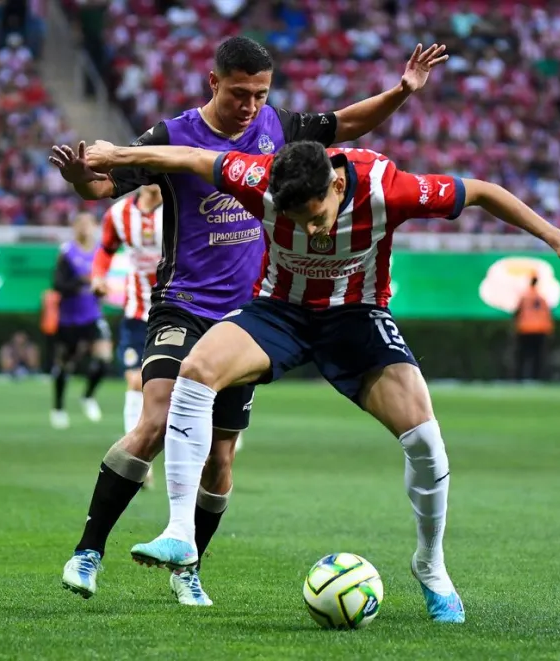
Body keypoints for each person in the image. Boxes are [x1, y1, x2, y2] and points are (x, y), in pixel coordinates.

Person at [85, 139, 560, 622]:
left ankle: (430, 566)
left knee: (426, 440)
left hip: (356, 317)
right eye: (294, 217)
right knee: (196, 371)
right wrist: (120, 155)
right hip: (280, 311)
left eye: (315, 215)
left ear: (337, 185)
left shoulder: (390, 188)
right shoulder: (259, 177)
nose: (310, 230)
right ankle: (181, 531)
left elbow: (479, 191)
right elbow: (192, 158)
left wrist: (554, 236)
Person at [50, 36, 449, 606]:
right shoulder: (172, 136)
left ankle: (188, 566)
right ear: (214, 82)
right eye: (240, 93)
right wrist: (76, 177)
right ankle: (88, 551)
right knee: (157, 418)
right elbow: (102, 185)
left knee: (221, 455)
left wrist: (402, 92)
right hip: (183, 303)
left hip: (251, 316)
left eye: (260, 94)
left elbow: (344, 125)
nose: (251, 106)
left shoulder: (280, 129)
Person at [96, 184, 164, 488]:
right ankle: (135, 462)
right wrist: (98, 277)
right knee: (136, 381)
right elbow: (105, 250)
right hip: (137, 311)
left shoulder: (182, 206)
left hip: (175, 308)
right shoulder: (119, 213)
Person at [50, 211, 112, 430]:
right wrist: (81, 282)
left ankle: (88, 396)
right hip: (70, 318)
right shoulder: (67, 253)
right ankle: (58, 408)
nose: (85, 227)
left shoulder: (100, 252)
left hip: (92, 315)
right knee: (65, 365)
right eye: (81, 223)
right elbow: (58, 285)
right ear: (74, 227)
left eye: (89, 223)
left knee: (104, 358)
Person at [513, 275, 554, 381]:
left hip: (525, 328)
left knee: (523, 355)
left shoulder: (525, 296)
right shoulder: (541, 297)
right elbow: (547, 314)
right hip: (540, 329)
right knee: (538, 356)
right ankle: (537, 377)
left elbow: (517, 311)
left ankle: (520, 377)